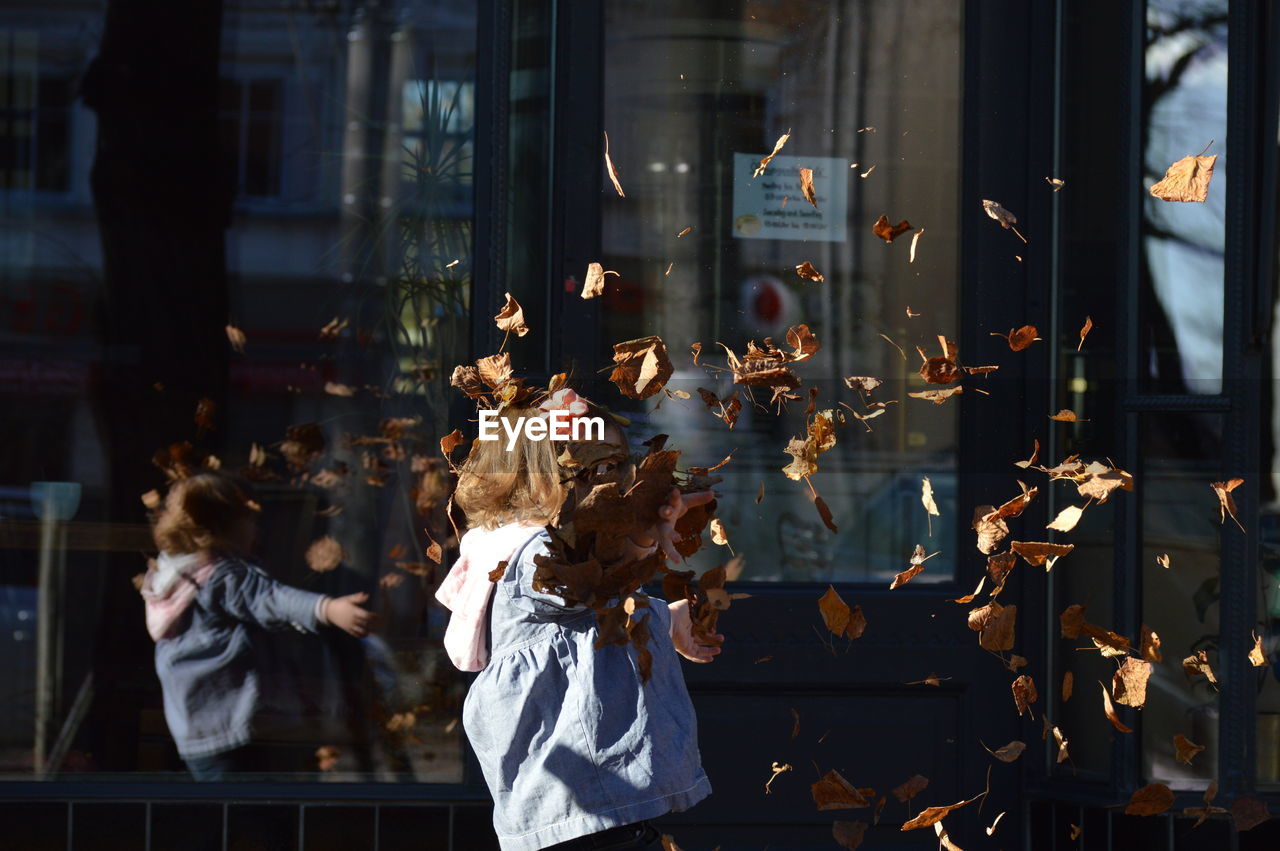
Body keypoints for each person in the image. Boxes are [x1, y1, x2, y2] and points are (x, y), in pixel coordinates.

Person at [436, 389, 724, 850]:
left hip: (594, 809)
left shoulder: (547, 553)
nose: (614, 487)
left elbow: (584, 621)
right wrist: (645, 538)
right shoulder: (526, 551)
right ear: (532, 481)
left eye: (617, 468)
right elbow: (569, 590)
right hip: (580, 807)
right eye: (593, 470)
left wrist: (662, 621)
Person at [139, 471, 374, 780]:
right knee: (255, 811)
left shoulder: (175, 573)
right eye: (249, 519)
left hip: (196, 730)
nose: (256, 527)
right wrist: (327, 609)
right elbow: (270, 599)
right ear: (222, 526)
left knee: (228, 813)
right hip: (236, 727)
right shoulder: (223, 576)